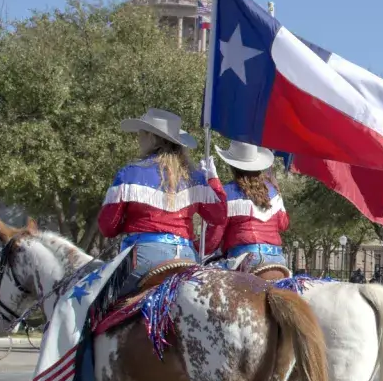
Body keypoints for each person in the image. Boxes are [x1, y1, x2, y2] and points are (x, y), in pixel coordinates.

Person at [98, 109, 227, 285]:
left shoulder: (130, 173)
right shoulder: (196, 178)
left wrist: (127, 224)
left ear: (152, 138)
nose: (138, 138)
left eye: (141, 134)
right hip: (187, 257)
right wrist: (213, 180)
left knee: (104, 306)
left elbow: (107, 227)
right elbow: (219, 215)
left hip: (143, 258)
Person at [214, 141, 289, 270]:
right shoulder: (274, 192)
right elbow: (283, 224)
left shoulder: (226, 193)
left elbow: (216, 233)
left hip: (244, 257)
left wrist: (201, 247)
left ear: (232, 166)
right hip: (277, 258)